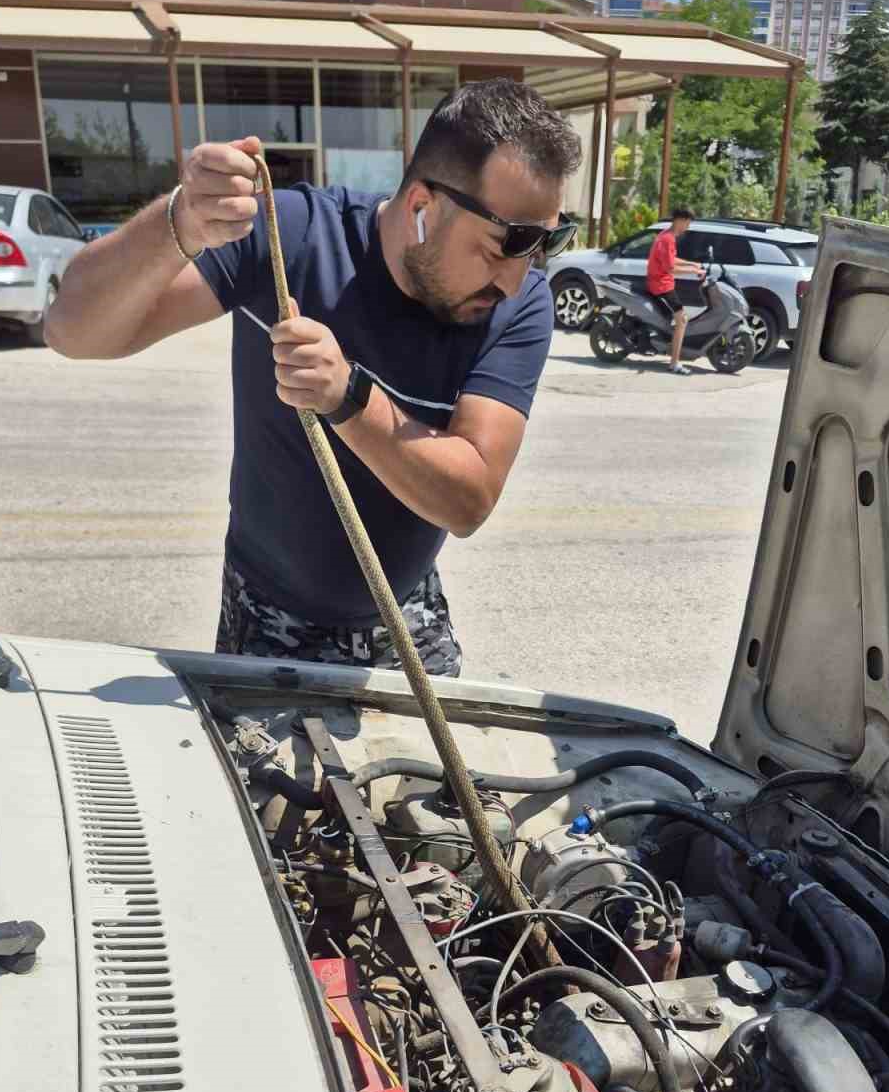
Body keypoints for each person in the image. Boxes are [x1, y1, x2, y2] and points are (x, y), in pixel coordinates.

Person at [46, 79, 581, 675]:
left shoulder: (523, 303)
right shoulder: (295, 236)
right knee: (252, 770)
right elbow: (74, 330)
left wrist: (348, 398)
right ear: (423, 209)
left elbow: (469, 500)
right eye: (503, 246)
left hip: (405, 614)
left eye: (544, 246)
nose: (514, 279)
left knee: (447, 767)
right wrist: (181, 223)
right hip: (264, 614)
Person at [646, 207, 705, 375]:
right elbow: (670, 268)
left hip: (662, 283)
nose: (688, 227)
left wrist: (692, 264)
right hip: (661, 285)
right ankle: (674, 363)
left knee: (680, 319)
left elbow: (671, 259)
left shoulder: (667, 235)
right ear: (680, 220)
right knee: (682, 320)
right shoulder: (667, 239)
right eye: (687, 223)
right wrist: (694, 272)